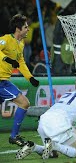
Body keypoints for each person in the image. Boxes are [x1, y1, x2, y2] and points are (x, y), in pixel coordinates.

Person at [0, 14, 39, 147]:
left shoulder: (21, 44)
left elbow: (21, 62)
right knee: (24, 103)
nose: (28, 29)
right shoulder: (5, 39)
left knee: (24, 103)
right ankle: (14, 136)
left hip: (4, 81)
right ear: (18, 29)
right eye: (25, 27)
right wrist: (7, 59)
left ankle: (14, 136)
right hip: (0, 81)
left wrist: (30, 77)